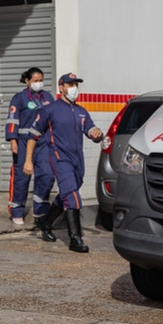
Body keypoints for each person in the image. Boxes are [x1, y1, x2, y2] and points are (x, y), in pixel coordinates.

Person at [24, 72, 103, 252]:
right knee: (73, 196)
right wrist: (28, 161)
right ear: (61, 88)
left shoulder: (82, 111)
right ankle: (76, 239)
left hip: (77, 159)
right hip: (60, 158)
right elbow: (33, 135)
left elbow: (90, 129)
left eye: (76, 84)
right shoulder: (50, 110)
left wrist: (96, 133)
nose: (74, 88)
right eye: (70, 84)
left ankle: (45, 221)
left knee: (69, 192)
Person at [5, 67, 56, 231]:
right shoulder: (19, 98)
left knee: (47, 174)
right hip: (23, 141)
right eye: (35, 80)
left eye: (41, 80)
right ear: (27, 81)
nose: (38, 83)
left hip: (43, 142)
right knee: (21, 177)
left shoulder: (48, 97)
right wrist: (13, 140)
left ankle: (40, 209)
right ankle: (16, 209)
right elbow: (12, 120)